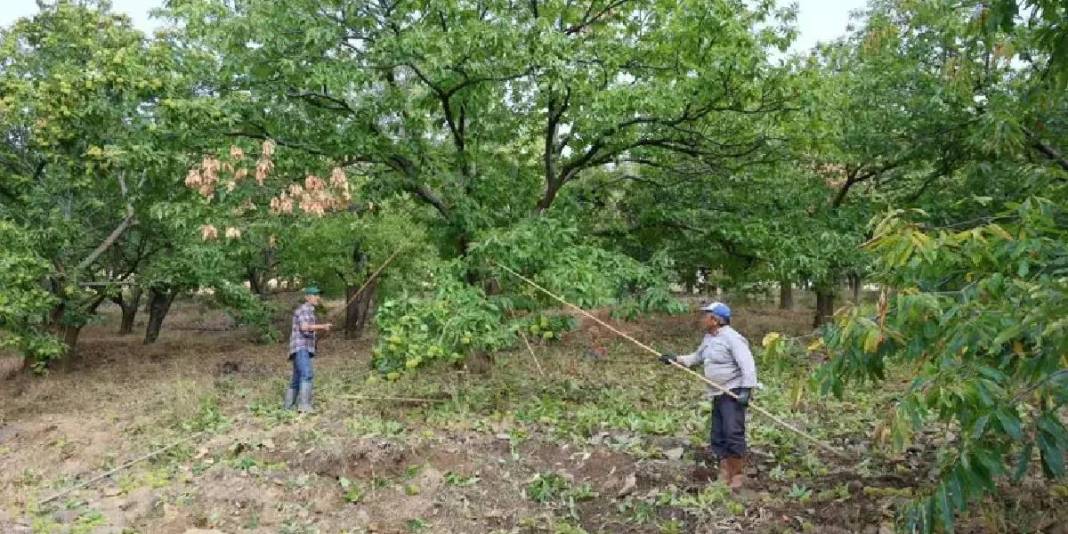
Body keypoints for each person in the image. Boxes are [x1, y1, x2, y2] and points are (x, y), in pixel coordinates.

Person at [660, 302, 757, 489]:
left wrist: (746, 390)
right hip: (717, 393)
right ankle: (724, 472)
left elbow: (748, 365)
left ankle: (736, 475)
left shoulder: (733, 338)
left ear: (716, 319)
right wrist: (675, 359)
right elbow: (696, 358)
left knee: (732, 432)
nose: (702, 319)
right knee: (718, 433)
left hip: (733, 392)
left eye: (706, 315)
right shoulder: (709, 339)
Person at [284, 286, 332, 412]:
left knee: (296, 378)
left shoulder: (309, 311)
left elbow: (307, 330)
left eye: (318, 295)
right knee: (307, 374)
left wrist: (321, 329)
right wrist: (322, 326)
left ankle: (287, 408)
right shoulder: (304, 309)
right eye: (314, 295)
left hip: (299, 347)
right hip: (301, 348)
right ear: (307, 297)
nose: (317, 297)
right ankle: (304, 406)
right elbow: (305, 327)